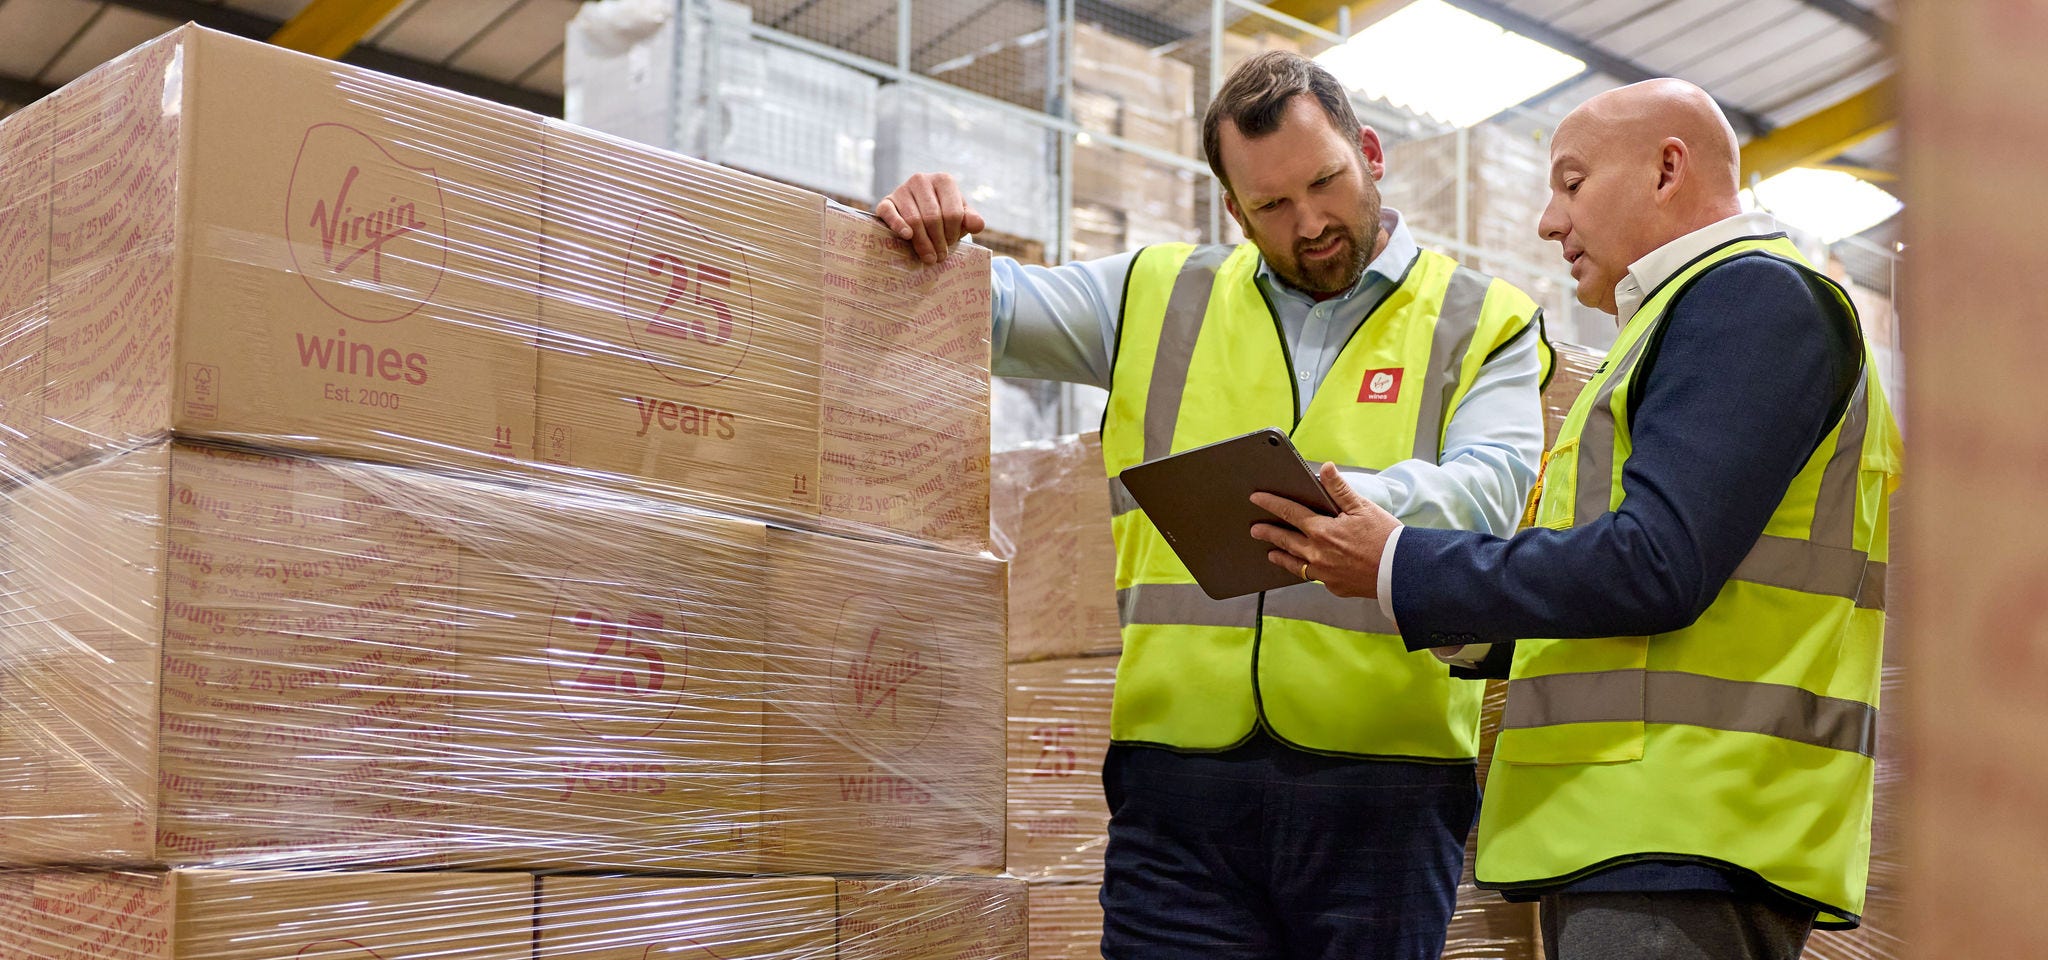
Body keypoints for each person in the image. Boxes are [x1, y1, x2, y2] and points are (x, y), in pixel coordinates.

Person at [877, 52, 1551, 960]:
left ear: (1372, 153)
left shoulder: (1486, 317)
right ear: (1233, 209)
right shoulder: (1157, 293)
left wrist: (1333, 500)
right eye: (1272, 205)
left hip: (1382, 788)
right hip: (1177, 786)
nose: (1310, 223)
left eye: (1327, 182)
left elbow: (1493, 487)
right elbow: (984, 309)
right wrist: (920, 229)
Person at [1249, 78, 1902, 960]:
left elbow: (1655, 565)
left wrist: (1403, 563)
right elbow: (1633, 589)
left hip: (1687, 828)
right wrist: (1458, 622)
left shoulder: (1753, 301)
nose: (1549, 222)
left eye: (1571, 182)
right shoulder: (1678, 324)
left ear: (1669, 168)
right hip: (1645, 834)